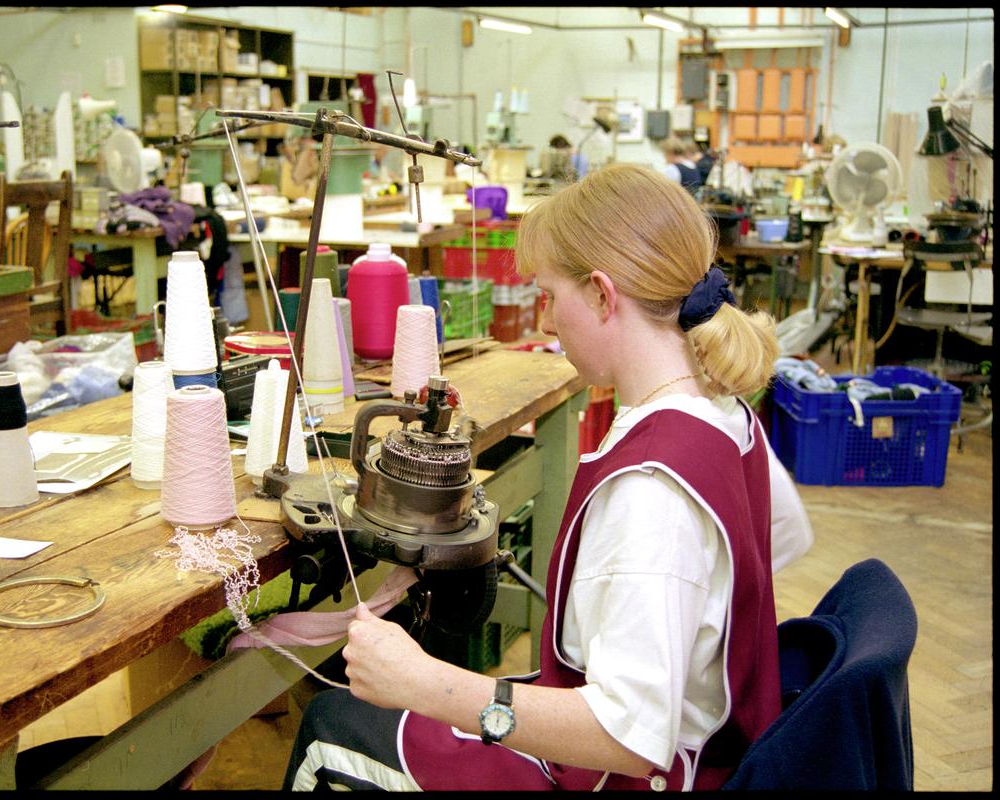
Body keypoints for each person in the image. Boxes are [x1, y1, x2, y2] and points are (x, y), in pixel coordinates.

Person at [282, 163, 813, 791]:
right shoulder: (725, 412)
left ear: (601, 294)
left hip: (628, 776)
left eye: (552, 297)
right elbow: (781, 538)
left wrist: (427, 684)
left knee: (329, 727)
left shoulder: (649, 490)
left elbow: (628, 735)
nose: (547, 323)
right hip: (710, 748)